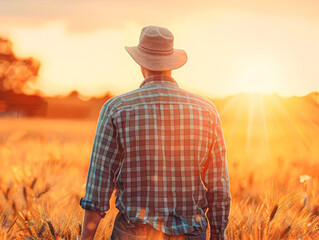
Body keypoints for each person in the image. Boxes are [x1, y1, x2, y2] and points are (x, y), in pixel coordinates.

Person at [79, 25, 231, 240]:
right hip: (190, 233)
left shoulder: (116, 109)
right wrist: (217, 235)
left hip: (132, 234)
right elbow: (219, 186)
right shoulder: (206, 110)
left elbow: (98, 186)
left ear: (141, 63)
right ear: (172, 63)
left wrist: (86, 238)